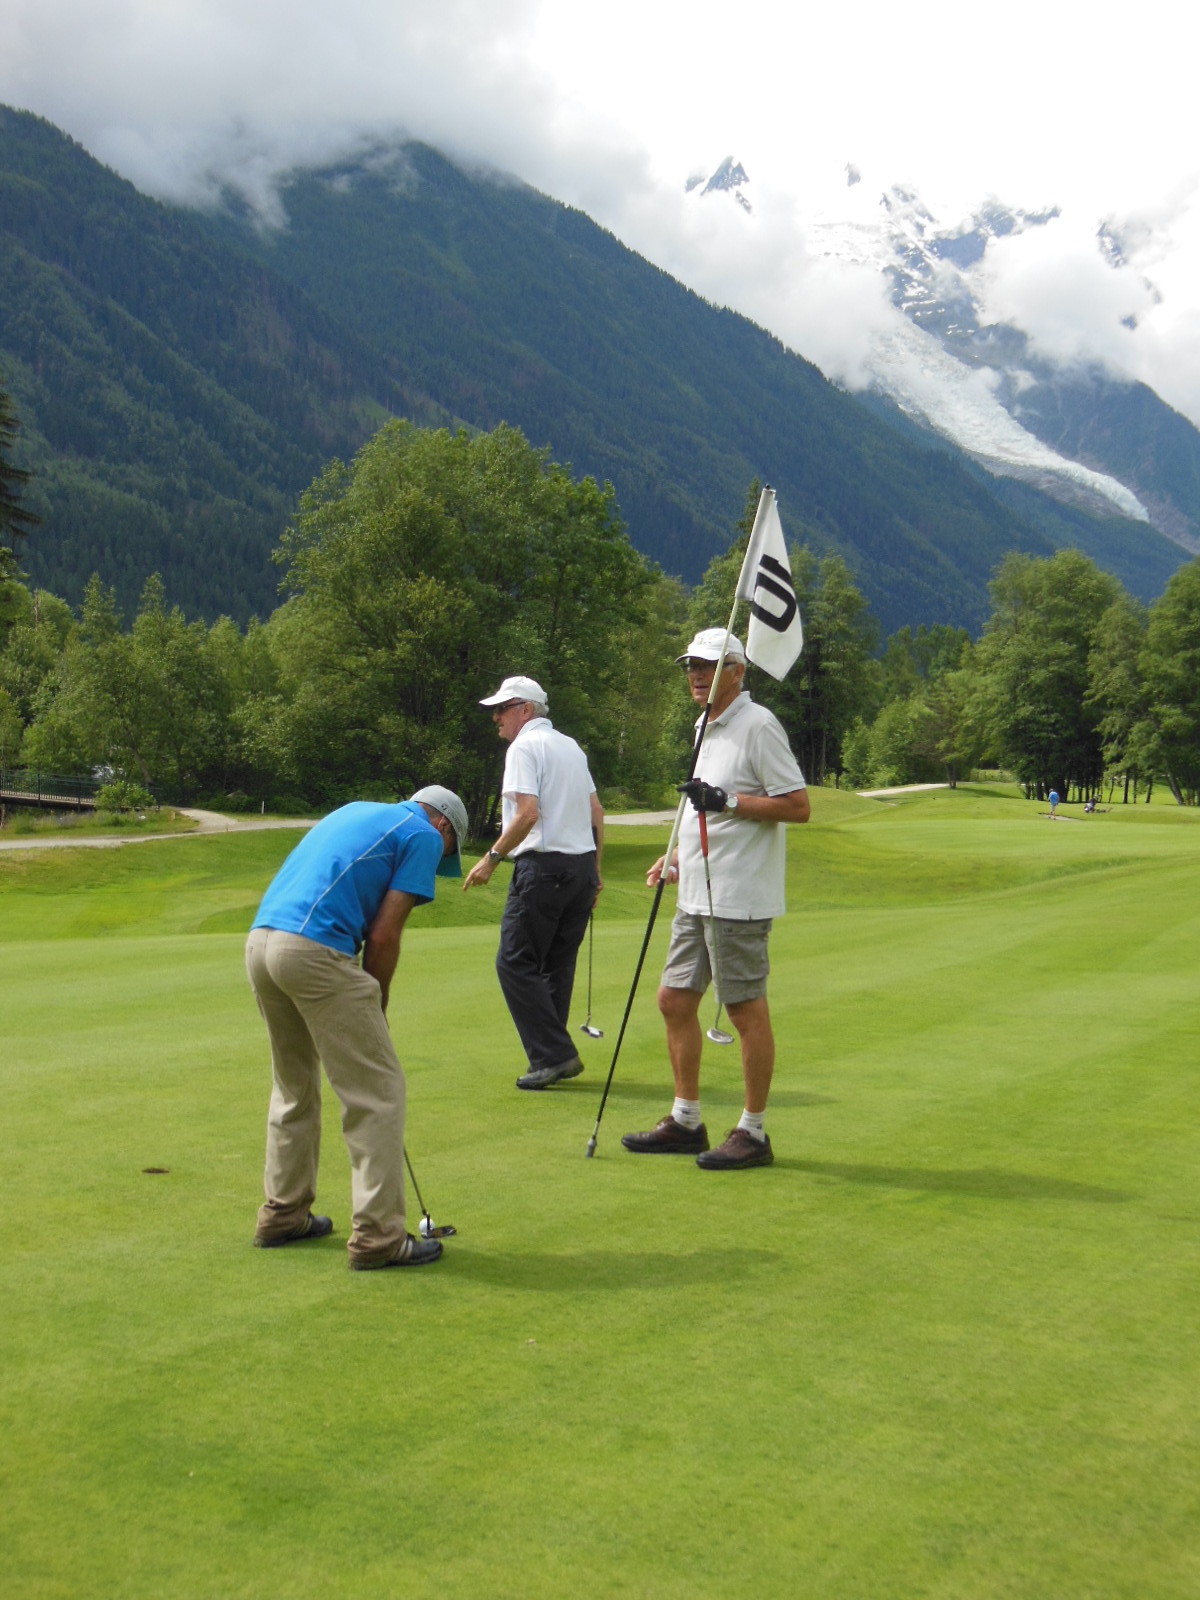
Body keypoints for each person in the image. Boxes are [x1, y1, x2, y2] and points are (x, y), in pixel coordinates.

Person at [246, 785, 469, 1269]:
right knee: (377, 1092)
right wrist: (378, 998)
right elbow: (385, 935)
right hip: (313, 950)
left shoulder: (357, 810)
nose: (437, 863)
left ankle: (283, 1212)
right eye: (447, 855)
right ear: (445, 827)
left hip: (261, 944)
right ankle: (378, 1237)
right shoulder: (424, 834)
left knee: (294, 1086)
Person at [622, 629, 809, 1170]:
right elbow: (698, 810)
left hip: (739, 894)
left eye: (708, 666)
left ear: (737, 671)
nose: (695, 676)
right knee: (674, 1000)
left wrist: (728, 800)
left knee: (746, 1009)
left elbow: (798, 807)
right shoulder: (704, 725)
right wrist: (675, 857)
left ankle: (753, 1132)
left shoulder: (759, 726)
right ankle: (685, 1121)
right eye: (690, 666)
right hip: (697, 892)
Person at [463, 674, 604, 1090]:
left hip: (543, 868)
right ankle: (550, 1059)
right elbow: (596, 812)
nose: (496, 719)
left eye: (502, 709)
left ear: (526, 710)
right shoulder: (571, 747)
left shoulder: (524, 746)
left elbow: (528, 814)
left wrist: (492, 857)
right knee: (555, 966)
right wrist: (596, 869)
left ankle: (554, 1054)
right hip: (579, 867)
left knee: (514, 962)